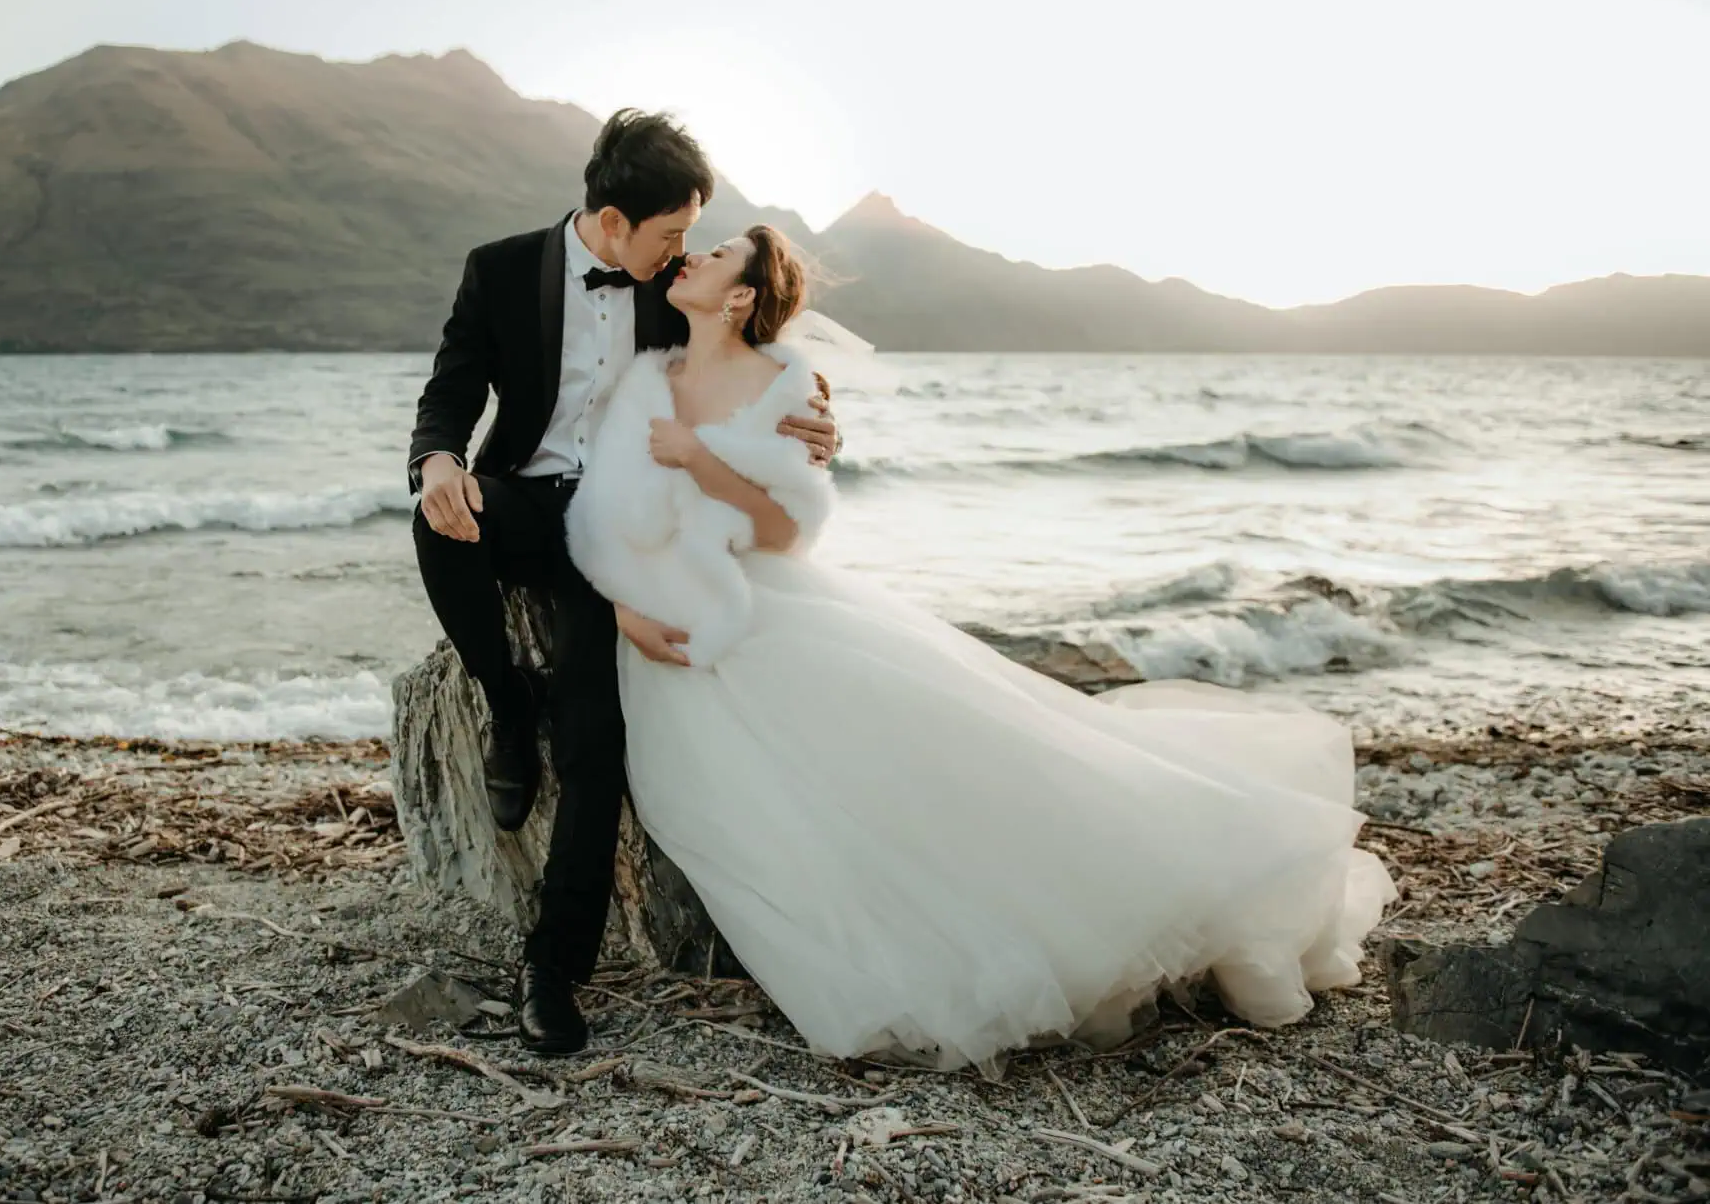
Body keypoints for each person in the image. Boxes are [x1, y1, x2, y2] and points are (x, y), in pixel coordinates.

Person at [564, 226, 1398, 1070]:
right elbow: (599, 517)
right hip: (671, 633)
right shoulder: (644, 379)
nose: (694, 257)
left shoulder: (783, 385)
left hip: (774, 609)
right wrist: (622, 610)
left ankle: (1123, 891)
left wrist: (700, 457)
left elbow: (785, 532)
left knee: (942, 757)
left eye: (715, 256)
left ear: (741, 298)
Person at [407, 112, 838, 1056]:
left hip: (619, 526)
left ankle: (552, 967)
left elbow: (747, 363)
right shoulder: (501, 268)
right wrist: (439, 457)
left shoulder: (670, 291)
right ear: (611, 220)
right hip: (526, 500)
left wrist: (811, 421)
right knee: (439, 523)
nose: (682, 253)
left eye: (692, 237)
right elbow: (453, 385)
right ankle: (500, 696)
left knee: (595, 738)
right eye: (671, 235)